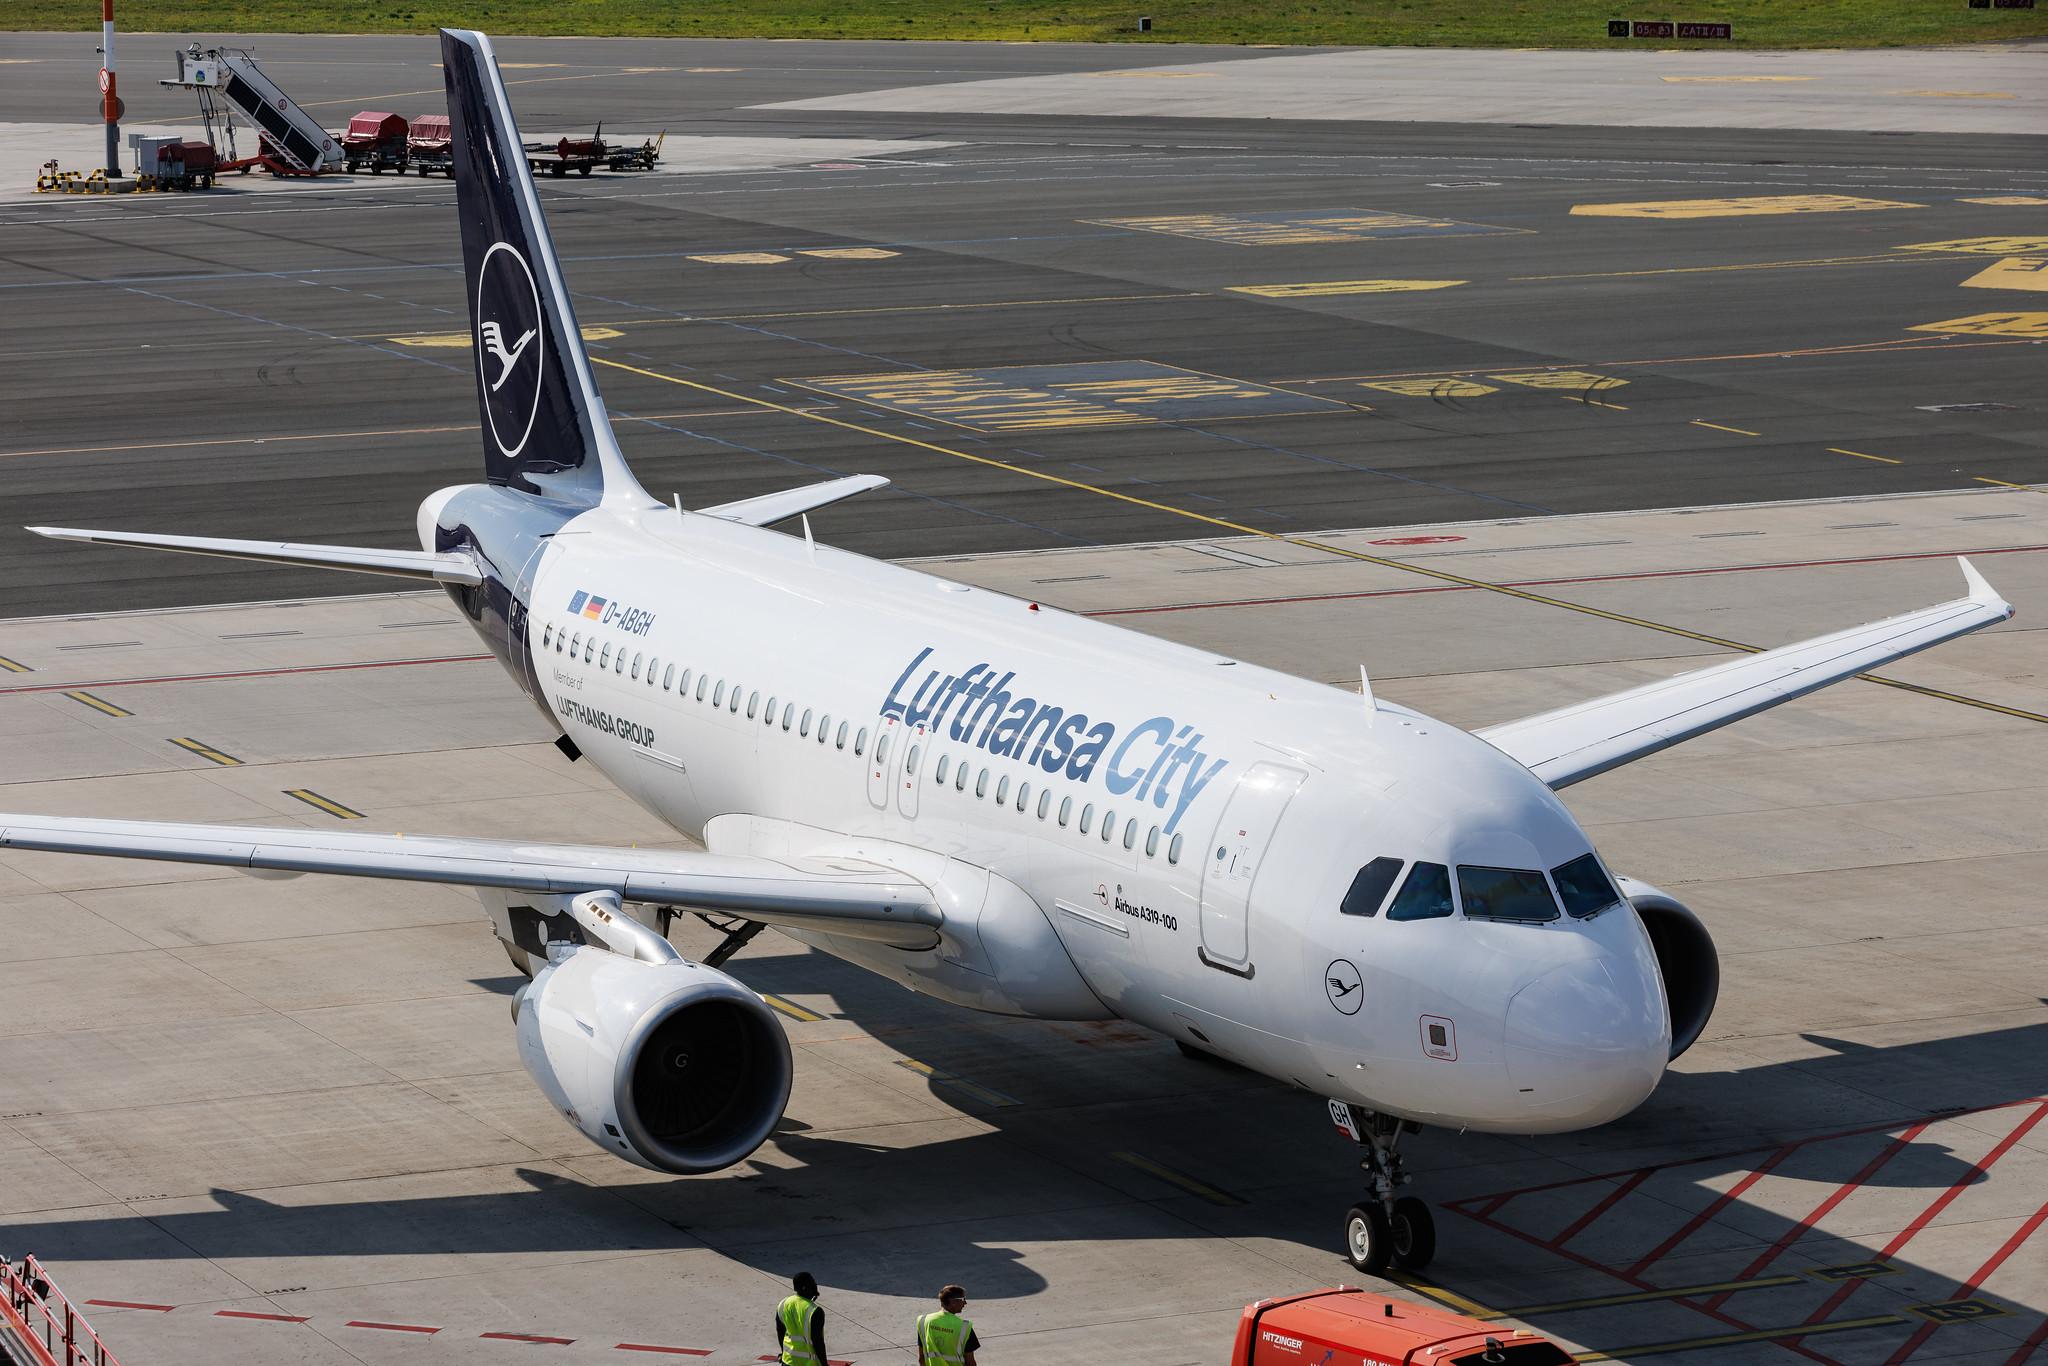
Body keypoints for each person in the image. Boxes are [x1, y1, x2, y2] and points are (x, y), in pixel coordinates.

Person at [915, 1284, 979, 1366]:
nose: (965, 1303)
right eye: (963, 1299)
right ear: (953, 1302)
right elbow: (970, 1362)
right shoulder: (965, 1327)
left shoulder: (923, 1321)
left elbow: (921, 1358)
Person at [774, 1272, 827, 1366]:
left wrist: (783, 1353)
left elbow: (780, 1331)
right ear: (804, 1287)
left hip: (788, 1361)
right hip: (808, 1363)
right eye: (812, 1282)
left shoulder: (783, 1304)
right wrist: (824, 1364)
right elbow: (818, 1342)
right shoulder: (815, 1311)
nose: (815, 1285)